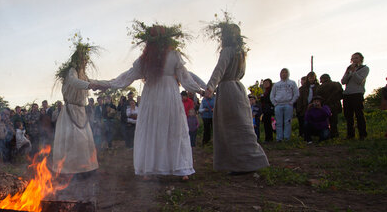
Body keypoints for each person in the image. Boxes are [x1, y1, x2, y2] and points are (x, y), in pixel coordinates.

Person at [91, 21, 202, 180]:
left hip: (154, 96)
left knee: (154, 129)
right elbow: (185, 78)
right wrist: (201, 91)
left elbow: (125, 78)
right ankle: (179, 169)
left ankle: (154, 169)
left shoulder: (148, 59)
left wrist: (106, 85)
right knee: (173, 128)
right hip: (168, 94)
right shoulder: (165, 57)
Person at [203, 17, 268, 173]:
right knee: (241, 125)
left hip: (226, 90)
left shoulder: (227, 51)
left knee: (230, 127)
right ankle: (248, 161)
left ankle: (239, 163)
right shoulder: (241, 52)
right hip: (239, 89)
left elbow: (219, 69)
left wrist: (210, 87)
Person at [52, 36, 100, 174]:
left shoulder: (82, 74)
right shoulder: (71, 71)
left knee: (84, 141)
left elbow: (92, 81)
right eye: (84, 60)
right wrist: (90, 85)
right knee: (72, 141)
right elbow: (74, 82)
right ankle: (69, 170)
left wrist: (107, 84)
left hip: (80, 111)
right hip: (70, 111)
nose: (86, 62)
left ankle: (85, 168)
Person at [341, 52, 370, 139]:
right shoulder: (349, 68)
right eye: (353, 58)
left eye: (356, 58)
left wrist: (354, 72)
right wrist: (348, 73)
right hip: (347, 94)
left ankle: (362, 134)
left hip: (357, 93)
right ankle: (350, 134)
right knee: (348, 115)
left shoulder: (365, 68)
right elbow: (343, 81)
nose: (354, 60)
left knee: (359, 114)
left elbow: (359, 81)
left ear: (361, 59)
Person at [270, 68, 299, 141]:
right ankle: (279, 138)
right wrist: (275, 103)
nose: (284, 74)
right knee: (278, 122)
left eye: (285, 72)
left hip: (288, 104)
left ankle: (286, 138)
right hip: (278, 105)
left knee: (288, 122)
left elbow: (296, 93)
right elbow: (272, 95)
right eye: (282, 72)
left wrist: (291, 102)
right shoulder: (276, 84)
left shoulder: (292, 83)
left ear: (288, 73)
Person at [316, 74, 343, 138]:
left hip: (325, 107)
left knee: (325, 122)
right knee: (334, 121)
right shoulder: (337, 84)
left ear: (322, 79)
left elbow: (318, 98)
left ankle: (327, 135)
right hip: (335, 106)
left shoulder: (320, 87)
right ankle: (335, 134)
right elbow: (341, 95)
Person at [296, 72, 318, 138]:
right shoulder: (302, 88)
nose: (311, 79)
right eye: (310, 78)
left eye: (312, 78)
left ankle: (313, 134)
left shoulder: (317, 87)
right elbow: (299, 99)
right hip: (304, 107)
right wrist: (299, 109)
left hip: (314, 107)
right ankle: (302, 134)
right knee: (302, 122)